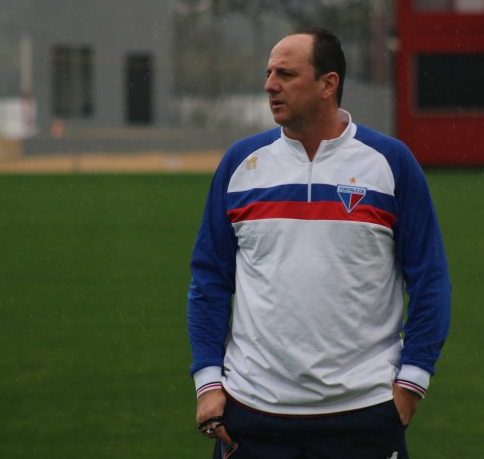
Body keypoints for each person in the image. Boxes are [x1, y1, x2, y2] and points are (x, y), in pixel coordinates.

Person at [187, 27, 451, 458]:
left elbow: (430, 281)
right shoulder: (240, 164)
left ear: (329, 84)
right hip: (253, 415)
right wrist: (209, 384)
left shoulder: (390, 163)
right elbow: (209, 281)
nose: (270, 85)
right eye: (269, 72)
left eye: (286, 74)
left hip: (363, 415)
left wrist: (411, 383)